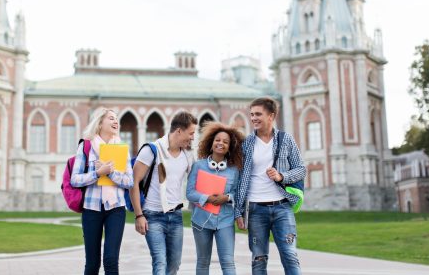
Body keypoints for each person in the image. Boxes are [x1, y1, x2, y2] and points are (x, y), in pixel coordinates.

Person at [234, 97, 306, 275]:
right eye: (251, 114)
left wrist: (282, 176)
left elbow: (302, 169)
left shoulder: (285, 139)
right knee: (259, 259)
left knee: (290, 255)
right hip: (256, 209)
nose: (254, 118)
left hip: (282, 207)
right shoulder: (246, 144)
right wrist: (238, 212)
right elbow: (239, 179)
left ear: (271, 116)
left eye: (258, 114)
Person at [129, 111, 197, 275]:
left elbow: (198, 180)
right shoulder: (152, 150)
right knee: (159, 262)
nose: (193, 137)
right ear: (179, 131)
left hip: (176, 216)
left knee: (174, 265)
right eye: (191, 133)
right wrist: (139, 215)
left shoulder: (188, 155)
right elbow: (133, 182)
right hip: (153, 216)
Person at [70, 108, 134, 275]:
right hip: (91, 209)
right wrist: (97, 174)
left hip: (116, 209)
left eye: (117, 119)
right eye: (111, 118)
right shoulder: (86, 146)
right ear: (99, 122)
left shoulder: (121, 149)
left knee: (111, 261)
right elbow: (75, 179)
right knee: (92, 263)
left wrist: (111, 173)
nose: (116, 122)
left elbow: (129, 181)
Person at [186, 122, 244, 275]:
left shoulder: (234, 170)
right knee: (203, 262)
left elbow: (238, 193)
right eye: (218, 140)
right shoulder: (198, 166)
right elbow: (190, 193)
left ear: (229, 148)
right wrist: (208, 198)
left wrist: (227, 197)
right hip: (201, 221)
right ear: (211, 143)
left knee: (228, 262)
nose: (221, 143)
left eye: (225, 142)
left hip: (225, 220)